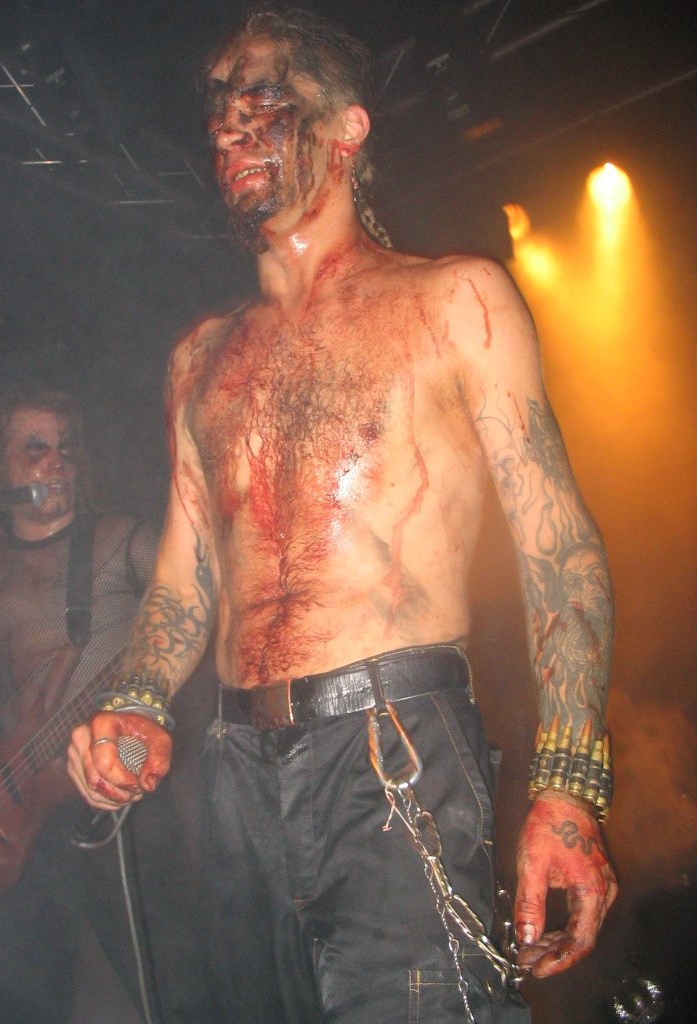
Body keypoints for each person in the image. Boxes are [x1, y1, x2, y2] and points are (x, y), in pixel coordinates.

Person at [67, 10, 618, 1023]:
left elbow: (560, 549)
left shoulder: (457, 302)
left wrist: (569, 782)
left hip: (393, 751)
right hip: (236, 774)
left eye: (263, 102)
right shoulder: (200, 359)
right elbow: (184, 581)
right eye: (218, 112)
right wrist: (139, 698)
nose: (230, 129)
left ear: (349, 128)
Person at [0, 382, 210, 1024]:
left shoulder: (125, 541)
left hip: (121, 785)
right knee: (20, 996)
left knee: (173, 985)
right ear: (0, 467)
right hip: (17, 804)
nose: (55, 461)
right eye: (34, 448)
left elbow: (193, 607)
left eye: (65, 447)